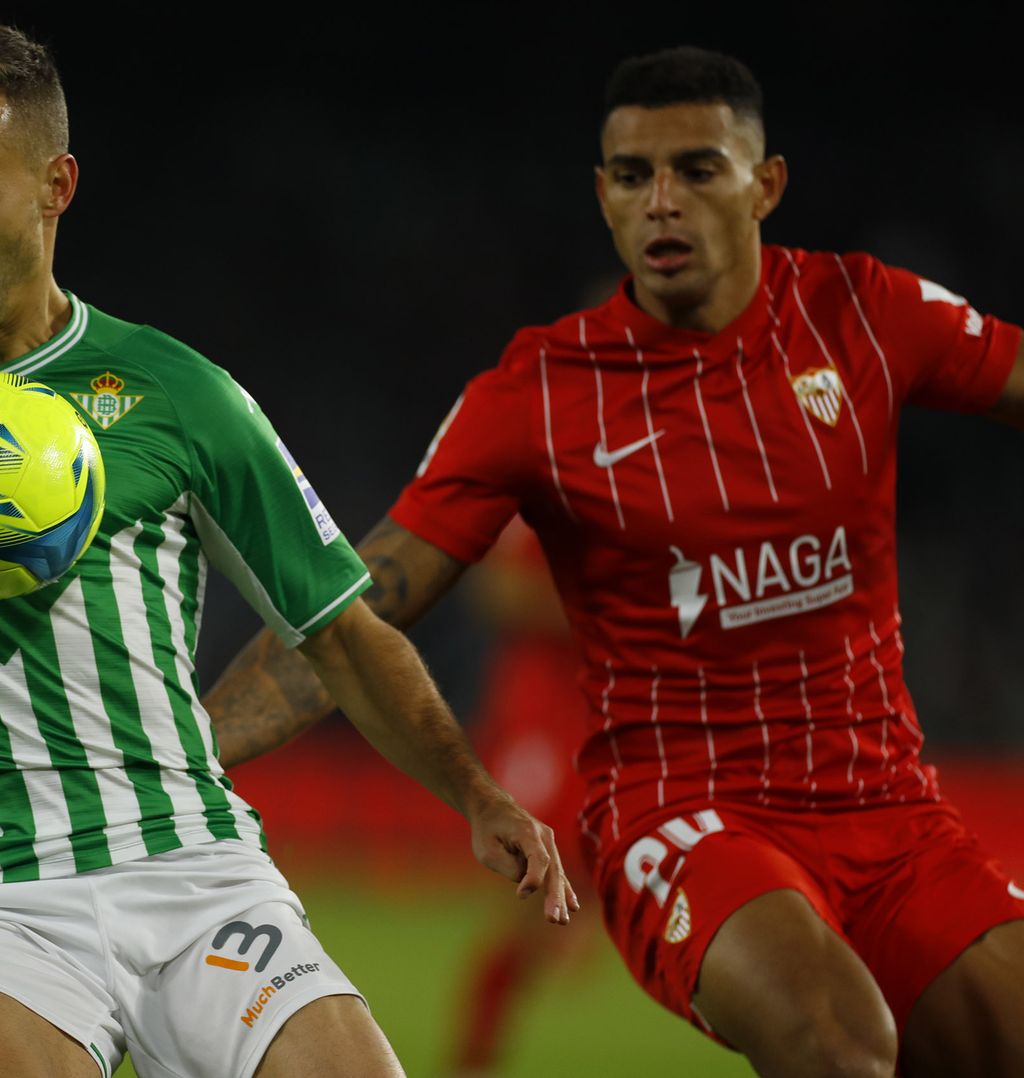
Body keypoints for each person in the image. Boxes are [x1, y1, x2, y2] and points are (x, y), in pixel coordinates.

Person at [0, 23, 576, 1078]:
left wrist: (476, 794)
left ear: (55, 186)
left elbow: (343, 635)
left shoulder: (177, 394)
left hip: (200, 874)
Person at [206, 46, 1024, 1077]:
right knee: (837, 1041)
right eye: (633, 177)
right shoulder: (540, 392)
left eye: (697, 169)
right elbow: (361, 598)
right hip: (687, 815)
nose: (661, 202)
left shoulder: (863, 313)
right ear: (602, 196)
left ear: (765, 184)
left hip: (892, 809)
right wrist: (190, 744)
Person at [445, 517, 597, 1076]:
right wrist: (607, 613)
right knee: (530, 889)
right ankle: (473, 1061)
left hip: (606, 714)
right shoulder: (542, 504)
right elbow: (499, 590)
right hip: (542, 722)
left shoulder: (642, 494)